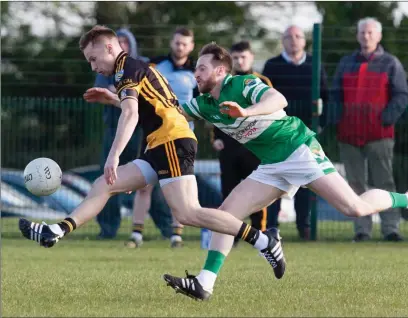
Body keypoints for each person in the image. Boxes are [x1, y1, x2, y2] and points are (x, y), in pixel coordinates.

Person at [77, 42, 408, 302]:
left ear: (221, 70)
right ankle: (205, 283)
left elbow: (279, 100)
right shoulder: (204, 103)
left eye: (201, 68)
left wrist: (247, 112)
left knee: (354, 208)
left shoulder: (242, 83)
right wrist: (114, 98)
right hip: (271, 165)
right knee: (224, 216)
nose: (196, 73)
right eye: (195, 69)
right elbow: (161, 109)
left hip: (298, 150)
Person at [18, 26, 287, 286]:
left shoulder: (125, 68)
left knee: (187, 213)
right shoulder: (131, 68)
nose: (93, 66)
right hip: (160, 145)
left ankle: (264, 241)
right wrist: (113, 98)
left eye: (93, 58)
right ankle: (56, 231)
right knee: (104, 184)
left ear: (110, 48)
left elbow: (131, 113)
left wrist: (114, 156)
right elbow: (153, 103)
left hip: (171, 141)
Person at [327, 17, 408, 242]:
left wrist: (385, 119)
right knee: (354, 184)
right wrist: (338, 119)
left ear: (379, 36)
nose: (366, 36)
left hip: (379, 135)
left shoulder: (391, 63)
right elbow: (335, 94)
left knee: (385, 182)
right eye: (363, 32)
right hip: (349, 134)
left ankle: (391, 229)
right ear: (357, 35)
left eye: (371, 32)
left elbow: (401, 95)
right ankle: (362, 231)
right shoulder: (345, 63)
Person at [94, 28, 172, 240]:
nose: (122, 45)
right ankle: (107, 229)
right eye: (118, 41)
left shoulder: (138, 65)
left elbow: (131, 102)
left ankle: (167, 228)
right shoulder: (105, 67)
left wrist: (117, 94)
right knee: (108, 178)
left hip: (143, 132)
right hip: (115, 129)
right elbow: (112, 90)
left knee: (149, 183)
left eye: (124, 42)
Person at [125, 27, 198, 249]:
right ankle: (136, 234)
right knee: (143, 185)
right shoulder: (156, 65)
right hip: (152, 133)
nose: (180, 47)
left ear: (191, 46)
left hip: (181, 135)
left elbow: (202, 104)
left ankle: (177, 235)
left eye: (185, 43)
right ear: (171, 43)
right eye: (177, 42)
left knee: (180, 186)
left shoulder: (196, 71)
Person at [262, 25, 329, 240]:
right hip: (277, 133)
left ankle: (304, 227)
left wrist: (321, 126)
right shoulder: (272, 66)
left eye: (298, 36)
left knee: (307, 180)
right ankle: (271, 227)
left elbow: (326, 97)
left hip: (306, 133)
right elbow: (263, 96)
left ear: (304, 41)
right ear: (282, 40)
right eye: (288, 36)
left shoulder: (314, 65)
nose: (293, 40)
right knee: (274, 178)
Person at [211, 40, 274, 245]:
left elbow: (272, 111)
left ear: (251, 57)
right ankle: (231, 233)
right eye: (235, 57)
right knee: (229, 192)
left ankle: (260, 232)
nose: (239, 60)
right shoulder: (224, 82)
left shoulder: (262, 81)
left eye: (243, 57)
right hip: (229, 145)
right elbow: (214, 111)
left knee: (257, 190)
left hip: (254, 147)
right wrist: (216, 138)